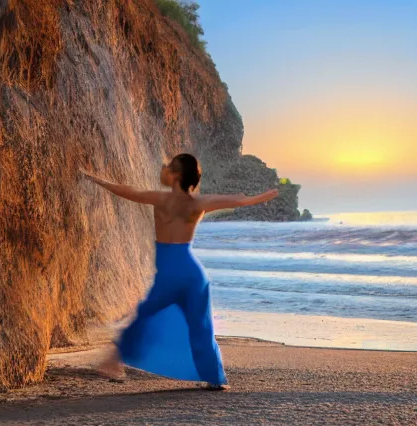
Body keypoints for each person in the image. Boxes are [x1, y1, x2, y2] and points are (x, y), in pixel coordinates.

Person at [82, 154, 278, 390]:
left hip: (171, 272)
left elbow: (127, 191)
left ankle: (112, 362)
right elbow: (235, 200)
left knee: (145, 316)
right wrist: (257, 199)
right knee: (201, 327)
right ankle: (215, 379)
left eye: (167, 166)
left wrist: (95, 179)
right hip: (193, 274)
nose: (162, 168)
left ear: (175, 175)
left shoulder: (160, 199)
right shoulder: (197, 203)